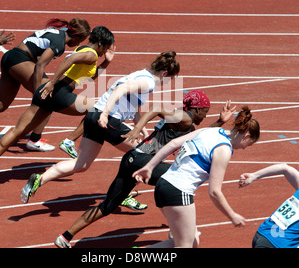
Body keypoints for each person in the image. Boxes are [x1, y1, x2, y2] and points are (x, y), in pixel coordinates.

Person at [50, 91, 237, 248]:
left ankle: (65, 236)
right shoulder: (184, 118)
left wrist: (220, 121)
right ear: (196, 109)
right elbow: (155, 109)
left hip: (132, 158)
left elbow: (201, 135)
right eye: (205, 112)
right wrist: (137, 127)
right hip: (144, 161)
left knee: (108, 205)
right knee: (177, 183)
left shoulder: (185, 120)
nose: (205, 116)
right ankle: (178, 228)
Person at [20, 51, 181, 206]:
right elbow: (120, 90)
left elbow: (134, 109)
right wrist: (105, 114)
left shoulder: (140, 74)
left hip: (93, 116)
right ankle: (123, 194)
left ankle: (39, 179)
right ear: (164, 73)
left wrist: (144, 133)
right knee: (146, 156)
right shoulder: (149, 82)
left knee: (81, 164)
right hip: (107, 119)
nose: (168, 83)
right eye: (170, 79)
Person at [0, 26, 114, 188]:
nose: (105, 52)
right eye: (106, 48)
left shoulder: (83, 49)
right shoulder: (91, 55)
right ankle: (69, 141)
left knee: (17, 131)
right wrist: (52, 83)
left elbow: (88, 77)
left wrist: (106, 62)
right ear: (100, 43)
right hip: (58, 92)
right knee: (98, 109)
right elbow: (68, 61)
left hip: (46, 93)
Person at [0, 17, 90, 152]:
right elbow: (40, 65)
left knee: (0, 103)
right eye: (81, 40)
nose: (79, 44)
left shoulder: (57, 32)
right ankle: (35, 140)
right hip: (21, 60)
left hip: (10, 58)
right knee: (48, 96)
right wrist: (38, 91)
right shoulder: (59, 43)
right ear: (77, 35)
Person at [132, 106, 260, 248]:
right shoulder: (224, 149)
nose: (244, 148)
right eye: (248, 144)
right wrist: (232, 215)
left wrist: (150, 167)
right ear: (247, 136)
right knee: (185, 246)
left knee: (191, 242)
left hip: (163, 184)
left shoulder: (211, 131)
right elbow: (214, 192)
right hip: (179, 191)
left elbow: (173, 143)